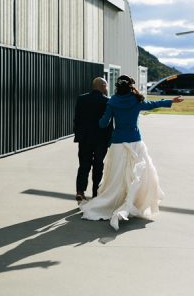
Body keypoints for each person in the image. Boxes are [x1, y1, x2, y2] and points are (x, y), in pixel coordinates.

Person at [80, 75, 183, 230]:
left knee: (117, 176)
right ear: (130, 87)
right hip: (135, 142)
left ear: (117, 87)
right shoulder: (136, 100)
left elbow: (103, 124)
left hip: (118, 144)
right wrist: (171, 101)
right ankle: (136, 201)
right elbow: (152, 104)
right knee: (139, 175)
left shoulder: (112, 101)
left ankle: (113, 201)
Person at [73, 77, 113, 202]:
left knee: (84, 165)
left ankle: (80, 191)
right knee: (98, 166)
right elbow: (109, 124)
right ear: (101, 86)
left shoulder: (81, 99)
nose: (106, 88)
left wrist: (78, 135)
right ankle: (96, 193)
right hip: (100, 140)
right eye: (106, 86)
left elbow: (77, 119)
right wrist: (109, 140)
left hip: (84, 138)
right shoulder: (107, 101)